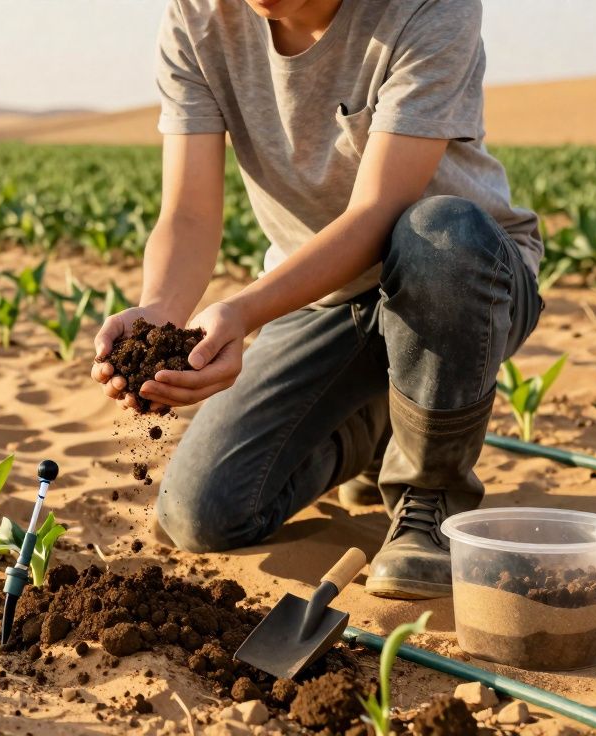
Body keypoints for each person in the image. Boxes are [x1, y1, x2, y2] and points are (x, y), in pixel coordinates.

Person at [90, 0, 542, 599]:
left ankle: (429, 501)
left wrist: (244, 311)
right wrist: (160, 316)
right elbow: (189, 214)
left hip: (463, 281)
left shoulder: (429, 7)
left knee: (437, 232)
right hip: (320, 297)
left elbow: (378, 211)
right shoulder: (198, 16)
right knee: (202, 514)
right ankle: (376, 426)